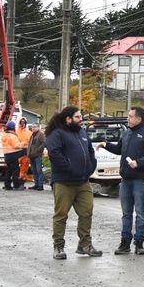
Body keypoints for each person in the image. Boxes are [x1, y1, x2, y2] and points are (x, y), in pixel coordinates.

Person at [98, 106, 144, 256]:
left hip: (140, 180)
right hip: (125, 180)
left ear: (139, 119)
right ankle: (125, 243)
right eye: (128, 116)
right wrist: (106, 145)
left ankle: (139, 243)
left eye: (131, 116)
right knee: (126, 214)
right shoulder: (126, 134)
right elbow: (119, 149)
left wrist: (138, 162)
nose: (128, 119)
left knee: (140, 213)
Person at [45, 105, 101, 260]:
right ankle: (58, 246)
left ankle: (85, 245)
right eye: (77, 117)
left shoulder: (82, 133)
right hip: (64, 182)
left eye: (80, 116)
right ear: (68, 119)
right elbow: (54, 153)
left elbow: (90, 151)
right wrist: (70, 168)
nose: (80, 119)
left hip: (83, 182)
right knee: (61, 215)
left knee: (86, 212)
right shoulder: (57, 134)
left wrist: (91, 166)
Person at [0, 120, 26, 191]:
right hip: (13, 155)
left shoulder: (4, 135)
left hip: (7, 155)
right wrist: (23, 143)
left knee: (9, 171)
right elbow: (16, 146)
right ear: (13, 128)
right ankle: (16, 185)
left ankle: (7, 185)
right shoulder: (12, 136)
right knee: (15, 171)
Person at [27, 122, 46, 191]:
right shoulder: (32, 135)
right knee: (34, 171)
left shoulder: (41, 134)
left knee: (39, 171)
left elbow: (44, 142)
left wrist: (38, 150)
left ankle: (40, 186)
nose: (33, 128)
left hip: (38, 156)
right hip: (31, 155)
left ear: (38, 127)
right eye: (32, 127)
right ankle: (36, 184)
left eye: (35, 127)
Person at [16, 117, 33, 182]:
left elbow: (31, 143)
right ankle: (16, 178)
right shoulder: (16, 132)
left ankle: (21, 179)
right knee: (15, 167)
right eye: (21, 122)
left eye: (24, 122)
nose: (22, 123)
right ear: (19, 123)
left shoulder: (29, 133)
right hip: (17, 152)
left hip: (25, 153)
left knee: (24, 166)